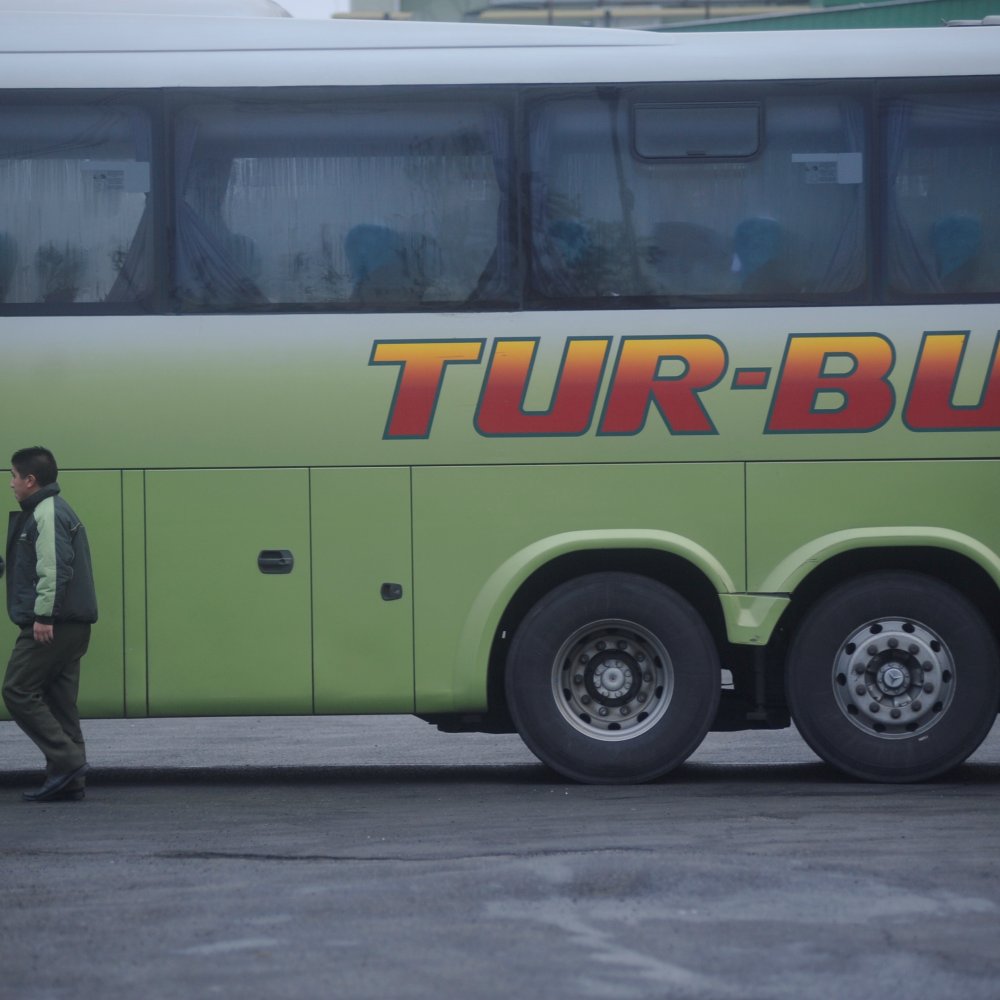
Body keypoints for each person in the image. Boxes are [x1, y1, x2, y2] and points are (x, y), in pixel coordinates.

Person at [3, 447, 97, 802]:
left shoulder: (47, 512)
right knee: (59, 701)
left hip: (54, 622)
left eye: (13, 476)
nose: (10, 484)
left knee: (17, 689)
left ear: (31, 480)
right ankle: (69, 779)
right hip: (71, 623)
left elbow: (55, 568)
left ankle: (68, 760)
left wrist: (43, 616)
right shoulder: (50, 510)